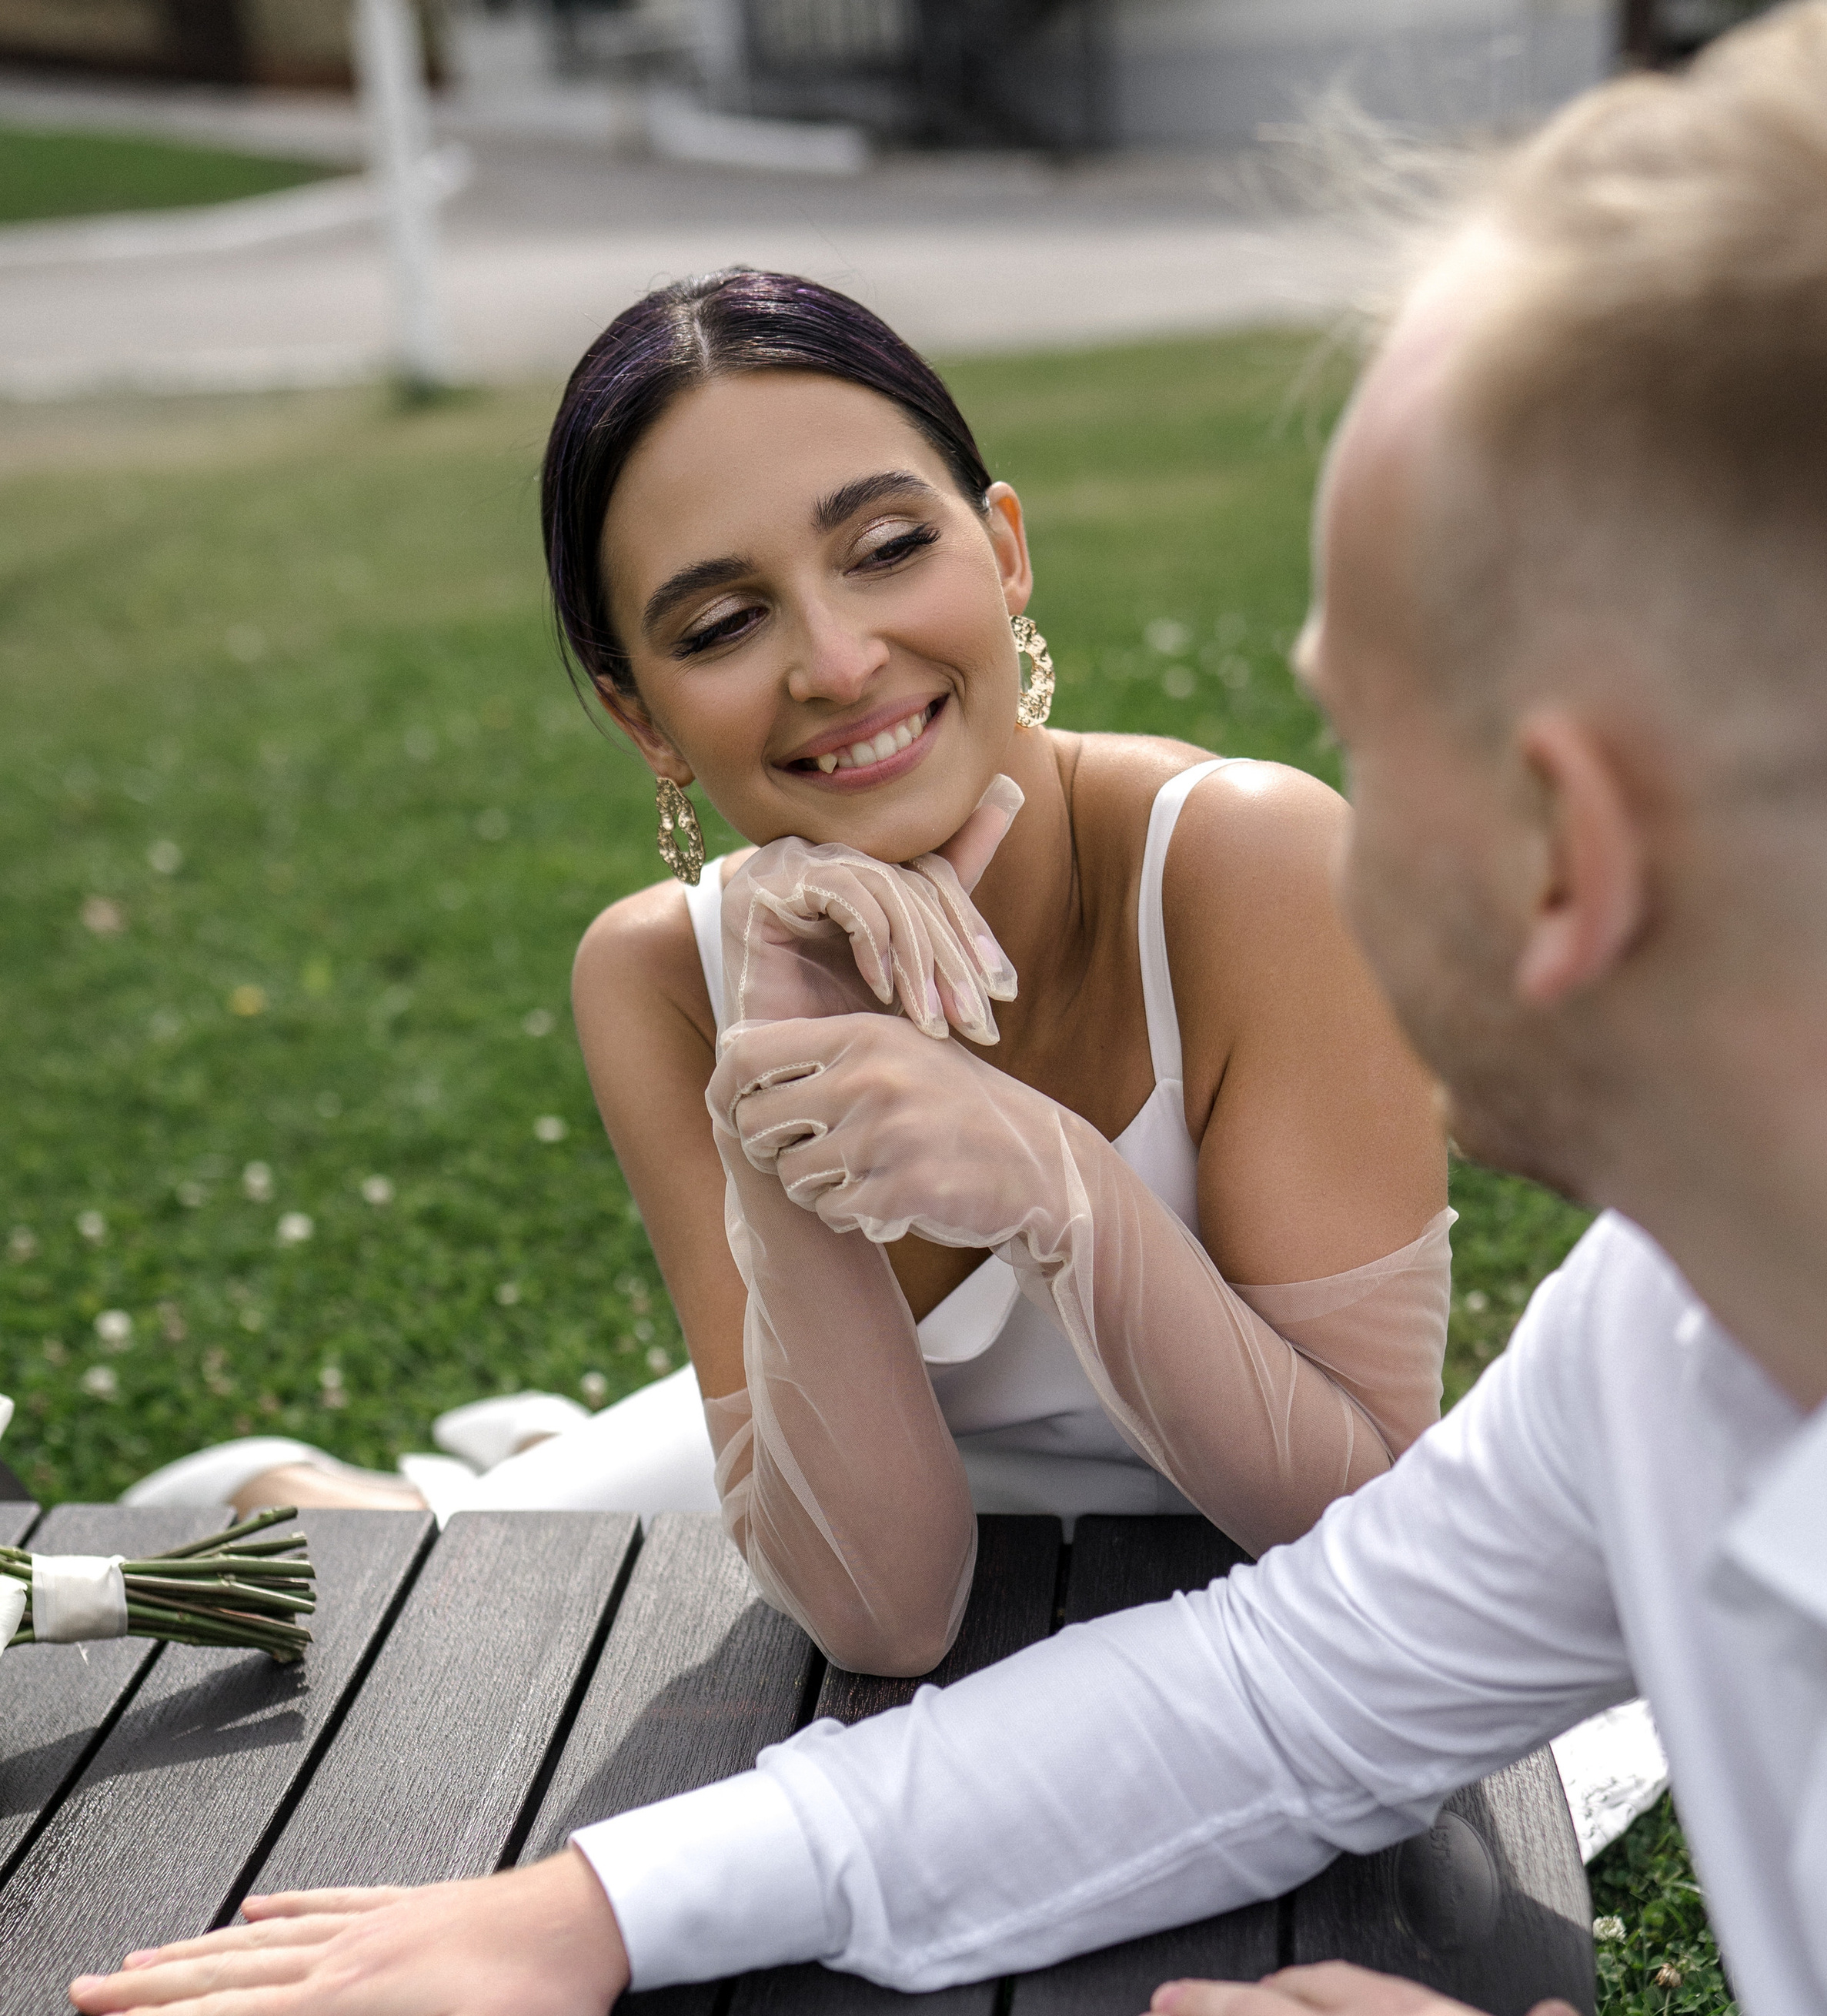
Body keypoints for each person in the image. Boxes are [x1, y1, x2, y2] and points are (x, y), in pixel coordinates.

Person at [71, 0, 1827, 2016]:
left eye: (1375, 711)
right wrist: (604, 1908)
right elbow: (1285, 1683)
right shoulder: (1689, 1336)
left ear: (1556, 849)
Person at [126, 271, 1451, 1677]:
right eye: (719, 626)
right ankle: (329, 1484)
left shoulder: (1253, 864)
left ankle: (538, 1445)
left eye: (886, 545)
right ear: (642, 714)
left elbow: (1372, 1520)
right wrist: (779, 1087)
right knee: (439, 1564)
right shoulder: (660, 976)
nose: (836, 660)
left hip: (1250, 1594)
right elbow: (882, 1616)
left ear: (1003, 551)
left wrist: (1050, 1183)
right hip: (867, 1501)